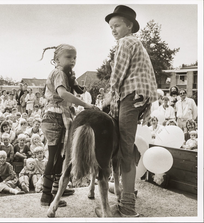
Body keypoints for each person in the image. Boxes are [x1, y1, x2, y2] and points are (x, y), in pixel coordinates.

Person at [103, 5, 158, 217]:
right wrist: (148, 103)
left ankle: (127, 206)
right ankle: (126, 189)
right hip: (138, 97)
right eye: (111, 27)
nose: (113, 30)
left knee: (125, 151)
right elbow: (149, 77)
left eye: (117, 25)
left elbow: (117, 74)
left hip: (129, 96)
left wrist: (108, 97)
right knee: (126, 147)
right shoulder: (140, 45)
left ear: (129, 26)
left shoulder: (125, 42)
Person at [39, 43, 96, 207]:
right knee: (54, 155)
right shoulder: (58, 73)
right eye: (68, 57)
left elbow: (74, 90)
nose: (73, 60)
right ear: (56, 59)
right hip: (55, 116)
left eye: (75, 57)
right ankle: (45, 195)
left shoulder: (65, 74)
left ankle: (58, 189)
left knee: (62, 154)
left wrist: (75, 82)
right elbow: (63, 93)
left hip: (60, 115)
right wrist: (85, 104)